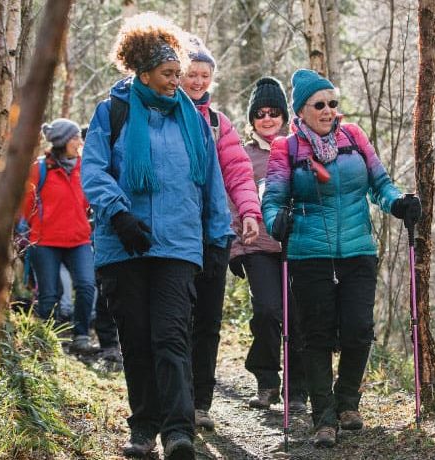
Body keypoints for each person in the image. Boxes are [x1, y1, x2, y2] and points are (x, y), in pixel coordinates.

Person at [80, 12, 233, 460]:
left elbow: (210, 183)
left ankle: (178, 431)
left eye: (178, 73)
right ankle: (143, 427)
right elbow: (93, 170)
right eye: (168, 74)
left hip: (178, 246)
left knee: (172, 337)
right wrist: (119, 215)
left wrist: (216, 237)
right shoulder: (113, 111)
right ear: (142, 71)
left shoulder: (193, 120)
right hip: (122, 245)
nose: (175, 82)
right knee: (137, 339)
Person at [261, 69, 420, 448]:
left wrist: (398, 202)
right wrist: (274, 221)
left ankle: (348, 401)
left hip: (358, 250)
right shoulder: (287, 148)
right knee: (315, 335)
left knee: (358, 328)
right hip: (308, 253)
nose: (329, 110)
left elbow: (380, 184)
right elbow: (273, 198)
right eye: (320, 104)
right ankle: (323, 417)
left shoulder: (355, 137)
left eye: (333, 103)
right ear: (302, 110)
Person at [179, 38, 261, 430]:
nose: (197, 81)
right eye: (191, 74)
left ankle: (200, 404)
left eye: (204, 75)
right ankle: (175, 400)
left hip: (214, 235)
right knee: (176, 321)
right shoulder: (164, 116)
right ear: (177, 75)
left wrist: (248, 211)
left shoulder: (217, 122)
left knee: (208, 321)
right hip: (173, 236)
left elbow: (239, 173)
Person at [228, 76, 309, 412]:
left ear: (283, 115)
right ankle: (266, 381)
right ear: (252, 119)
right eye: (260, 113)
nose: (267, 118)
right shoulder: (242, 155)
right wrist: (234, 247)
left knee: (298, 317)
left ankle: (297, 390)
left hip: (298, 247)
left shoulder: (299, 149)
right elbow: (232, 199)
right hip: (257, 244)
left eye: (273, 112)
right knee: (266, 311)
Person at [20, 119, 97, 354]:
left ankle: (81, 335)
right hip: (45, 242)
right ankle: (45, 340)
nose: (79, 142)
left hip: (79, 240)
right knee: (49, 293)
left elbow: (90, 201)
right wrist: (37, 227)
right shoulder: (39, 169)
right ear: (63, 141)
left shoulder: (85, 167)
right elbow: (26, 205)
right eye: (75, 138)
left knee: (86, 286)